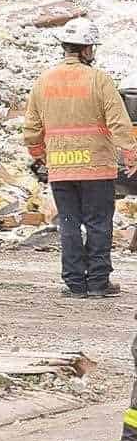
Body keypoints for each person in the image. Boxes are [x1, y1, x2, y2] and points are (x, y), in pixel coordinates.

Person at [22, 17, 137, 299]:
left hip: (61, 167)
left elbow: (32, 128)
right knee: (98, 224)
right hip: (96, 167)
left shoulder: (44, 81)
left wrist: (39, 156)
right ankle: (98, 283)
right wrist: (131, 154)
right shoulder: (99, 80)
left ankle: (75, 284)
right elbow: (119, 122)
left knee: (69, 223)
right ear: (86, 49)